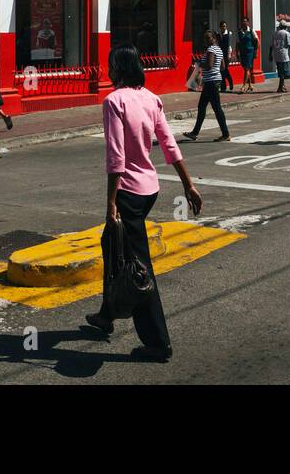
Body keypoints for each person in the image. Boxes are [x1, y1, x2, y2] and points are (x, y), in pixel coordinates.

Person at [85, 46, 202, 362]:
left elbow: (116, 157)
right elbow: (169, 144)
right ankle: (106, 314)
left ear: (119, 69)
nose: (109, 70)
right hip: (149, 189)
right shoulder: (152, 99)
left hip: (128, 193)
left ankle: (157, 342)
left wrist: (111, 202)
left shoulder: (114, 101)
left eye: (111, 65)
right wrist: (188, 183)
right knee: (112, 244)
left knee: (138, 268)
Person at [183, 30, 230, 141]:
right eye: (205, 38)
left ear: (214, 38)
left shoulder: (211, 49)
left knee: (215, 108)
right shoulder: (219, 49)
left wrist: (199, 63)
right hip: (215, 80)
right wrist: (213, 68)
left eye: (208, 38)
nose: (206, 40)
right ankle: (195, 133)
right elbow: (223, 67)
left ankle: (225, 134)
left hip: (211, 82)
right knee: (203, 106)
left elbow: (209, 66)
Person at [270, 20, 290, 92]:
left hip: (276, 55)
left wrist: (270, 54)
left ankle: (281, 86)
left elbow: (271, 46)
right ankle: (281, 87)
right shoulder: (287, 33)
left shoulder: (275, 33)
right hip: (283, 55)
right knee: (284, 72)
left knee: (280, 71)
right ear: (285, 27)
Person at [237, 18, 258, 93]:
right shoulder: (240, 32)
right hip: (243, 52)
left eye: (245, 22)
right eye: (243, 21)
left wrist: (256, 51)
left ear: (248, 23)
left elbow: (256, 41)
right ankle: (250, 85)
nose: (244, 23)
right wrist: (237, 52)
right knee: (246, 69)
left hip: (250, 52)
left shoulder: (251, 31)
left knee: (247, 69)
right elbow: (238, 43)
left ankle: (243, 86)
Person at [217, 20, 234, 93]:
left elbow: (230, 45)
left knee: (225, 69)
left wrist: (229, 54)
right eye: (222, 26)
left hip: (226, 54)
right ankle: (223, 86)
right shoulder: (218, 34)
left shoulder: (229, 33)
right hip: (220, 54)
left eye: (225, 26)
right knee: (222, 70)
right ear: (220, 27)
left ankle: (230, 81)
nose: (224, 27)